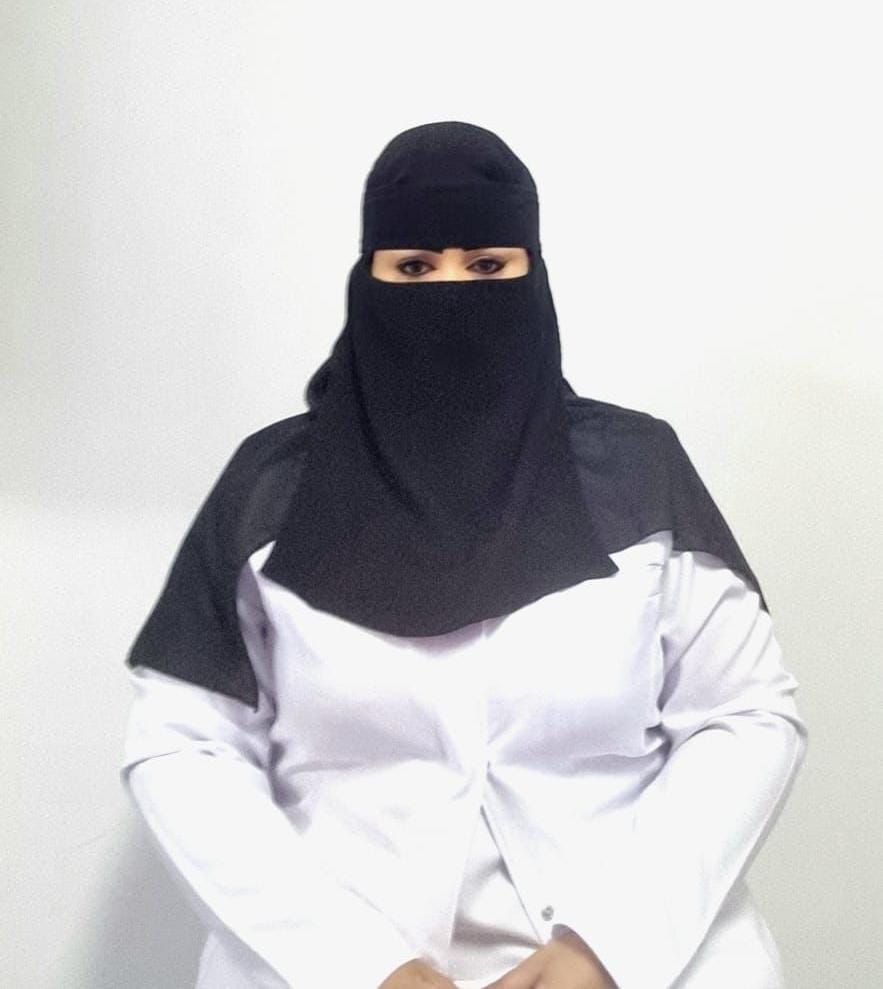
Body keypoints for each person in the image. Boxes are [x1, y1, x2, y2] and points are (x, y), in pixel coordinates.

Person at [119, 121, 808, 989]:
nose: (450, 292)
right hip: (324, 958)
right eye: (413, 268)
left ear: (533, 275)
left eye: (486, 265)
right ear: (368, 280)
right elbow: (185, 747)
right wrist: (360, 964)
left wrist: (604, 948)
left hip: (641, 956)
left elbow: (743, 717)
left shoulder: (634, 472)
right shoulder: (272, 490)